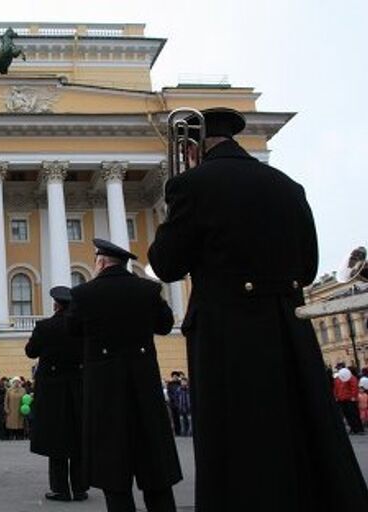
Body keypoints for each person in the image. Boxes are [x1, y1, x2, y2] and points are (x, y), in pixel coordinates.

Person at [148, 107, 368, 510]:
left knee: (238, 443)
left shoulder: (192, 186)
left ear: (192, 147)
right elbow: (308, 265)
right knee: (300, 431)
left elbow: (166, 264)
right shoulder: (288, 186)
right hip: (288, 328)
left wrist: (176, 201)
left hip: (227, 332)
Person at [68, 239, 181, 512]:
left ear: (101, 263)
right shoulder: (149, 289)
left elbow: (73, 330)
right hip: (145, 388)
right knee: (155, 465)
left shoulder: (84, 293)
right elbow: (165, 326)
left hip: (105, 390)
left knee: (113, 471)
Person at [25, 285, 88, 502]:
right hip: (78, 388)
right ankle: (80, 488)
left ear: (56, 304)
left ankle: (61, 489)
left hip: (52, 391)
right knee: (78, 438)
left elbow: (30, 351)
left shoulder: (45, 326)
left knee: (56, 440)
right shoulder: (82, 327)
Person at [334, 367, 364, 435]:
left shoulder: (350, 377)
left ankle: (358, 429)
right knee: (347, 415)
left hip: (350, 399)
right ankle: (353, 428)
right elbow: (336, 388)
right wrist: (336, 396)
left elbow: (354, 387)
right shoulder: (338, 379)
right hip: (342, 399)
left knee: (353, 414)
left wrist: (353, 396)